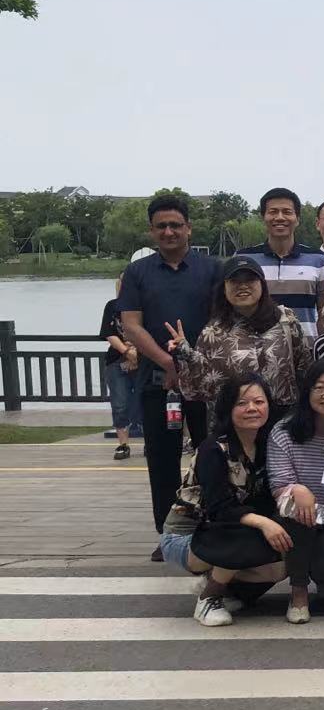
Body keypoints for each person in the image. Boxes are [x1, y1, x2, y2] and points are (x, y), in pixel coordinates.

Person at [118, 192, 222, 543]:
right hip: (158, 380)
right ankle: (168, 534)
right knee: (162, 459)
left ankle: (212, 527)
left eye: (175, 225)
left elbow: (221, 322)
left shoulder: (212, 269)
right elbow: (131, 325)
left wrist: (192, 360)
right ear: (152, 231)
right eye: (161, 226)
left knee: (212, 454)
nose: (168, 232)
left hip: (206, 380)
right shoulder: (137, 272)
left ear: (188, 228)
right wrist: (167, 362)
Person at [162, 374, 292, 626]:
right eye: (241, 403)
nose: (252, 408)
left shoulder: (267, 446)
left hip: (230, 531)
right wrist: (264, 523)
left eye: (259, 402)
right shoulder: (213, 449)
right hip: (187, 535)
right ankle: (209, 598)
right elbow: (219, 509)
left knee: (280, 565)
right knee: (247, 536)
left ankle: (224, 587)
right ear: (227, 409)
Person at [268, 359, 324, 625]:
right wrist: (297, 489)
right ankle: (299, 592)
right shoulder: (285, 431)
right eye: (319, 387)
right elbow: (279, 485)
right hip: (301, 519)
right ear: (307, 390)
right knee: (298, 508)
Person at [168, 255, 313, 411]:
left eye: (250, 280)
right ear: (224, 288)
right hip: (237, 419)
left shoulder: (286, 320)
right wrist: (186, 355)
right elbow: (196, 390)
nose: (243, 286)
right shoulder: (213, 333)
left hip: (283, 417)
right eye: (235, 281)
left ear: (262, 284)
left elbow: (304, 368)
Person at [238, 186, 324, 337]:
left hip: (305, 348)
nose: (280, 217)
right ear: (263, 217)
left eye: (287, 212)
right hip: (255, 348)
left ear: (297, 219)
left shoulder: (318, 259)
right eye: (273, 212)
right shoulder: (243, 258)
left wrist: (318, 342)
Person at [99, 277, 143, 460]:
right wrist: (126, 351)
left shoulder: (147, 305)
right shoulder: (112, 306)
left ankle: (150, 443)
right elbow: (108, 333)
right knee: (119, 403)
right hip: (116, 360)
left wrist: (138, 351)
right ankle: (123, 444)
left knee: (146, 401)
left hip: (144, 358)